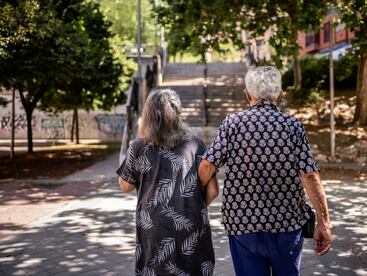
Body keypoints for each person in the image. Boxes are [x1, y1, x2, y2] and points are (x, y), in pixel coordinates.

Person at [198, 66, 332, 276]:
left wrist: (196, 202)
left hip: (243, 225)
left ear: (247, 94)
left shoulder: (232, 124)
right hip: (286, 226)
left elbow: (207, 165)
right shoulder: (292, 126)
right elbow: (310, 176)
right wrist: (324, 223)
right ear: (280, 95)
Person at [117, 89, 219, 276]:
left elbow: (125, 186)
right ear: (178, 112)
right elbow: (213, 191)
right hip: (191, 222)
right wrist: (193, 205)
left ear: (147, 115)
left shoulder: (138, 147)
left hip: (153, 226)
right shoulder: (196, 144)